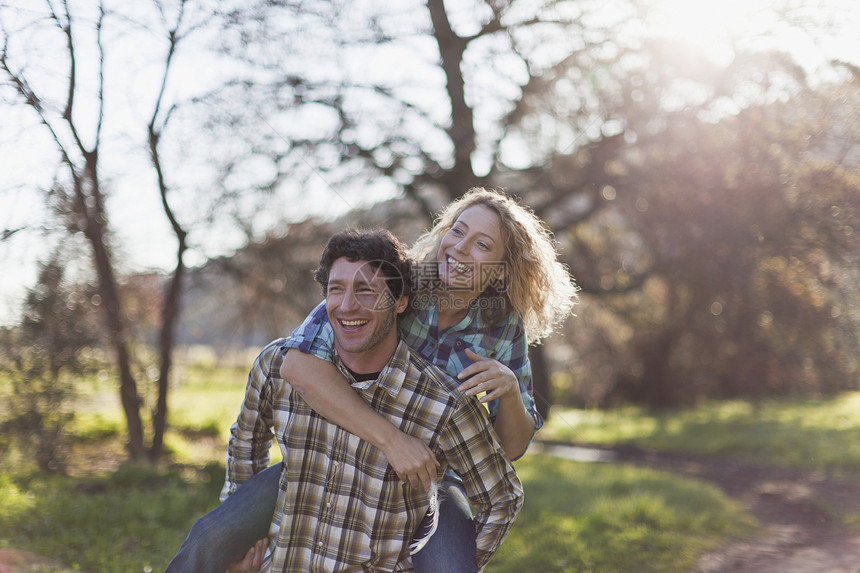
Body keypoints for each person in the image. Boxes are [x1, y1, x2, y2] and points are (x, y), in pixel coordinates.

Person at [165, 228, 523, 572]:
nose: (348, 305)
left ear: (401, 302)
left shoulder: (446, 401)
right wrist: (243, 541)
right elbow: (247, 439)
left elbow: (503, 496)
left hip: (424, 503)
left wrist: (510, 391)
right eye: (336, 290)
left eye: (366, 291)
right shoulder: (279, 363)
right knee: (208, 537)